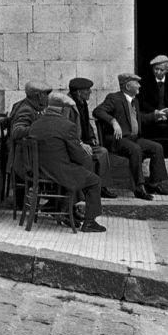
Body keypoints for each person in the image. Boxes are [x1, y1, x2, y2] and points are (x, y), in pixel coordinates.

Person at [29, 93, 107, 232]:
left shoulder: (36, 124)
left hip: (40, 171)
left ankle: (63, 209)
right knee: (94, 180)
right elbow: (79, 156)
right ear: (63, 109)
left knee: (78, 172)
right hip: (59, 172)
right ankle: (89, 222)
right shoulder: (67, 126)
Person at [93, 73, 168, 201]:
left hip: (133, 139)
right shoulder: (114, 98)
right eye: (136, 83)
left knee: (157, 147)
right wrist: (113, 121)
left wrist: (155, 116)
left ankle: (154, 184)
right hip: (118, 140)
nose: (139, 85)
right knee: (135, 149)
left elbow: (140, 118)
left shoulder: (135, 101)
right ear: (128, 86)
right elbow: (97, 111)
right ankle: (139, 188)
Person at [67, 77, 117, 199]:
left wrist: (91, 137)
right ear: (79, 92)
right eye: (87, 90)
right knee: (87, 156)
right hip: (74, 145)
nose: (90, 92)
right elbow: (67, 129)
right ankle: (86, 190)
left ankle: (102, 187)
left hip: (85, 142)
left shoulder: (82, 103)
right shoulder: (68, 105)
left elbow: (85, 124)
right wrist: (80, 143)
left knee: (103, 152)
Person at [7, 81, 52, 208]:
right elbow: (16, 131)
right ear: (38, 96)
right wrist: (39, 128)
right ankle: (57, 204)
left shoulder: (30, 106)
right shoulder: (26, 109)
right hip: (24, 162)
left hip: (26, 158)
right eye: (46, 94)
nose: (47, 98)